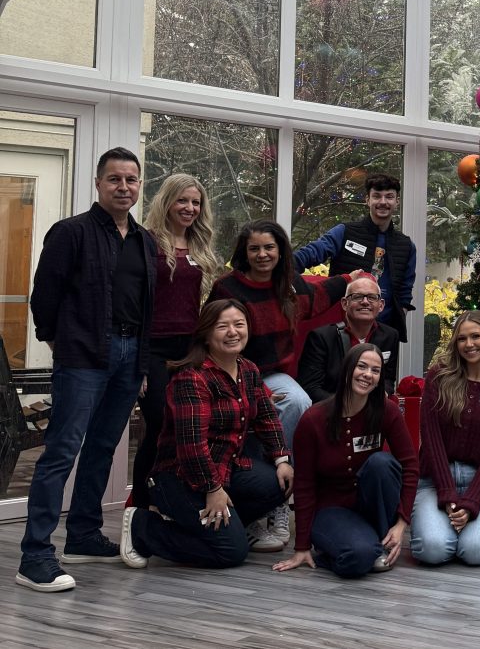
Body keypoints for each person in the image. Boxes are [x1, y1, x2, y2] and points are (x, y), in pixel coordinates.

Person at [17, 148, 156, 593]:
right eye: (114, 179)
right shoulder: (71, 232)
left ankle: (82, 535)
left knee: (102, 448)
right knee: (61, 452)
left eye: (131, 179)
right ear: (98, 183)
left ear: (139, 185)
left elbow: (146, 306)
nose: (123, 187)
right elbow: (44, 296)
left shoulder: (145, 241)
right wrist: (58, 342)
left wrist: (140, 361)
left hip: (130, 356)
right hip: (83, 356)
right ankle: (35, 557)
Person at [208, 219, 354, 550]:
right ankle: (253, 500)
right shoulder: (228, 288)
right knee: (253, 409)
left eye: (269, 247)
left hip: (272, 375)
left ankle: (278, 498)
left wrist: (351, 279)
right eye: (254, 248)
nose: (262, 255)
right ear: (244, 252)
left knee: (297, 400)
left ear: (281, 251)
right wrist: (251, 390)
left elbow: (323, 293)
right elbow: (212, 336)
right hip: (230, 373)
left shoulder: (289, 287)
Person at [118, 299, 292, 571]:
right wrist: (212, 489)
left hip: (226, 468)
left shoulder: (248, 369)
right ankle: (143, 527)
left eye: (239, 324)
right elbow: (192, 445)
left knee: (280, 483)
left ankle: (221, 525)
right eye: (222, 327)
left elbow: (266, 417)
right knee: (232, 552)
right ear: (206, 335)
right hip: (181, 478)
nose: (233, 332)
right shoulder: (192, 377)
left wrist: (282, 459)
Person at [273, 344, 417, 578]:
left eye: (375, 370)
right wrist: (302, 547)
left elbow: (410, 466)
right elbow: (304, 484)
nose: (368, 374)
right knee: (359, 558)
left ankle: (380, 542)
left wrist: (402, 524)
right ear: (347, 369)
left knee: (383, 463)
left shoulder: (387, 411)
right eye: (362, 366)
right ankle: (344, 549)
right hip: (330, 510)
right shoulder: (313, 419)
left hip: (370, 506)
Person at [132, 173, 222, 509]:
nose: (189, 208)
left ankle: (173, 504)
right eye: (182, 200)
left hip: (189, 349)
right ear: (167, 201)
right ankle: (138, 508)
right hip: (153, 348)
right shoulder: (146, 241)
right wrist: (139, 363)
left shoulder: (199, 245)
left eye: (195, 202)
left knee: (187, 428)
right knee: (159, 426)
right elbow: (133, 301)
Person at [409, 311, 480, 566]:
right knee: (433, 550)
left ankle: (470, 531)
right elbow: (431, 440)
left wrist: (470, 503)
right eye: (461, 338)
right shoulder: (439, 377)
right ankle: (449, 530)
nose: (469, 344)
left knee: (476, 551)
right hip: (436, 478)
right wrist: (447, 495)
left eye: (475, 336)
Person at [293, 173, 415, 339]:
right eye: (376, 196)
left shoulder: (406, 245)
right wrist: (282, 268)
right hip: (342, 330)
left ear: (397, 201)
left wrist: (398, 320)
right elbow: (312, 253)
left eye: (389, 197)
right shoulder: (345, 232)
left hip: (383, 333)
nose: (383, 202)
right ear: (367, 200)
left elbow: (405, 291)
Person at [297, 275, 401, 403]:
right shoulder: (321, 338)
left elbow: (388, 379)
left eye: (372, 297)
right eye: (357, 297)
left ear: (381, 305)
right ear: (345, 304)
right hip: (332, 408)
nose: (365, 302)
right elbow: (310, 388)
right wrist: (348, 405)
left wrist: (383, 393)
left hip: (372, 409)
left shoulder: (390, 336)